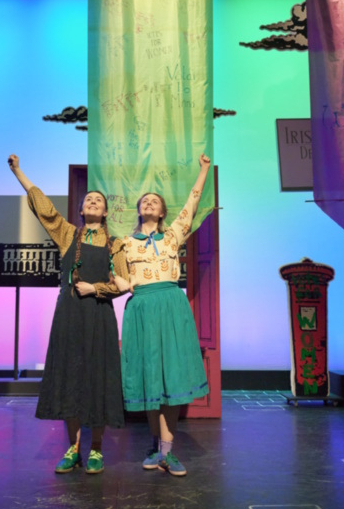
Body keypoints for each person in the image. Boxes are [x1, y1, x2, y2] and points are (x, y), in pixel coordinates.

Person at [7, 154, 127, 475]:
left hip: (99, 316)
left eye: (98, 200)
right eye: (88, 198)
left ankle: (97, 448)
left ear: (104, 212)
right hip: (69, 316)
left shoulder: (115, 245)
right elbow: (43, 207)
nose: (92, 200)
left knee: (97, 378)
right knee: (70, 377)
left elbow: (124, 284)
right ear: (81, 209)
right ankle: (73, 447)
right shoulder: (67, 234)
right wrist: (20, 171)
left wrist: (96, 289)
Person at [117, 153, 212, 477]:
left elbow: (193, 202)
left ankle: (167, 452)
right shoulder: (126, 243)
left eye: (155, 201)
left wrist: (203, 170)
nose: (150, 203)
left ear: (162, 211)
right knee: (149, 378)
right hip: (142, 307)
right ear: (139, 209)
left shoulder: (172, 235)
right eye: (145, 200)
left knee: (171, 375)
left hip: (171, 304)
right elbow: (116, 278)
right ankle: (155, 445)